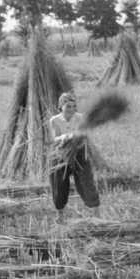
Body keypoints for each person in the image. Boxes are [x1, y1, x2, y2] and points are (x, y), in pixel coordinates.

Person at [48, 91, 100, 221]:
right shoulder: (54, 120)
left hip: (79, 154)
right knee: (58, 185)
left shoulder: (81, 118)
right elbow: (55, 139)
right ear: (61, 106)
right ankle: (60, 215)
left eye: (73, 106)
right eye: (68, 106)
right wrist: (66, 137)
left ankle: (96, 214)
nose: (71, 109)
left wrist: (77, 138)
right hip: (60, 155)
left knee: (86, 182)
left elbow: (85, 136)